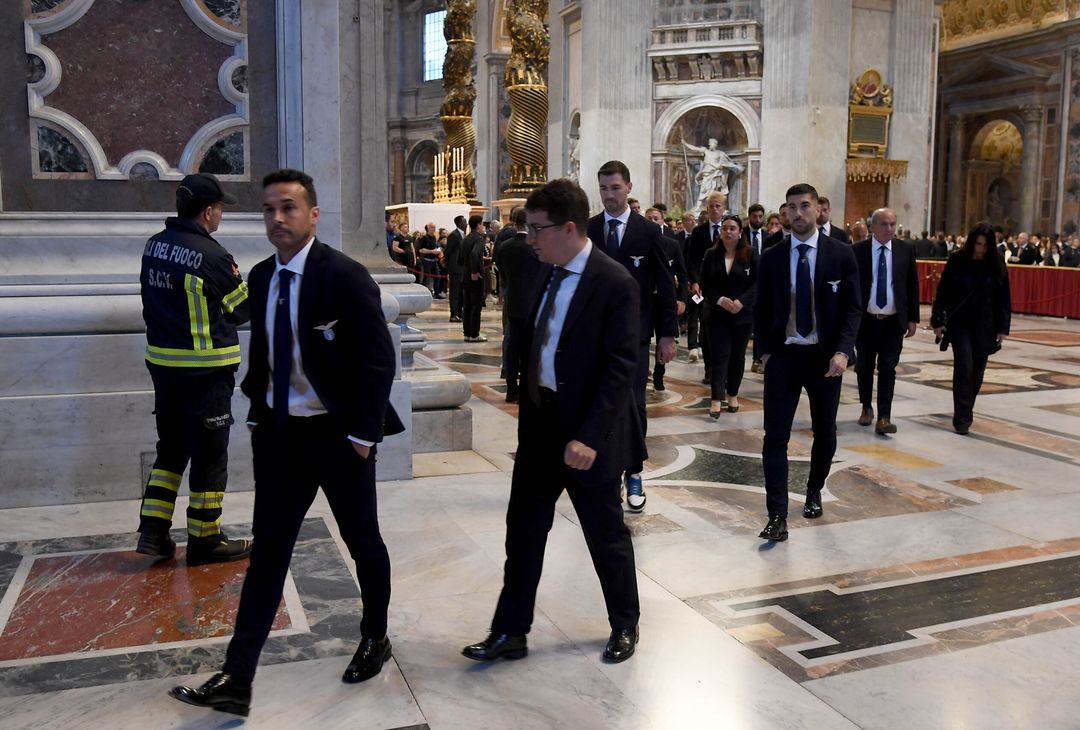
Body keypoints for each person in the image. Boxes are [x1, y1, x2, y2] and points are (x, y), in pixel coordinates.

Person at [169, 169, 405, 716]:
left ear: (313, 214)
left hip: (340, 437)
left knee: (362, 542)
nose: (278, 218)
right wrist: (257, 415)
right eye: (270, 209)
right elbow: (266, 357)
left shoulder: (344, 277)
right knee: (268, 554)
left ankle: (376, 636)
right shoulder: (259, 276)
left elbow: (377, 361)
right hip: (280, 438)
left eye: (290, 208)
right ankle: (237, 676)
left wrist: (363, 436)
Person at [462, 178, 643, 665]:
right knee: (522, 533)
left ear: (568, 228)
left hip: (588, 434)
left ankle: (625, 623)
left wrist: (589, 436)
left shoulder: (614, 282)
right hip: (542, 431)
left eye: (537, 230)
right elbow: (537, 352)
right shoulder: (545, 270)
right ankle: (510, 631)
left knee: (604, 536)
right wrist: (527, 423)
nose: (529, 239)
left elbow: (621, 369)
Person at [136, 173, 252, 565]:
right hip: (207, 373)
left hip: (165, 369)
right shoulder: (213, 255)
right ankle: (205, 539)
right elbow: (242, 310)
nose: (221, 215)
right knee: (209, 456)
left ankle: (153, 533)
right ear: (207, 211)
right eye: (220, 208)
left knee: (170, 451)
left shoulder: (154, 246)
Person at [754, 183, 861, 541]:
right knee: (775, 437)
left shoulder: (841, 254)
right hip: (784, 355)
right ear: (785, 212)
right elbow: (761, 308)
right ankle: (777, 515)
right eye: (791, 207)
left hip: (825, 358)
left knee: (825, 432)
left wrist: (844, 352)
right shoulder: (771, 256)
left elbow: (851, 309)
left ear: (817, 209)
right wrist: (765, 352)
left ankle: (814, 488)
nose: (797, 214)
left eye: (804, 206)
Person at [586, 160, 678, 513]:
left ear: (629, 187)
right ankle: (603, 473)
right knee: (598, 402)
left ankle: (634, 471)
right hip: (594, 337)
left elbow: (665, 288)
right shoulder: (589, 229)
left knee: (634, 405)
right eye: (604, 189)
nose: (610, 195)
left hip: (635, 337)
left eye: (615, 188)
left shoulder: (649, 232)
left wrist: (668, 334)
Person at [931, 223, 1011, 435]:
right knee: (964, 365)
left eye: (985, 245)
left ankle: (967, 406)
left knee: (977, 370)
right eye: (978, 244)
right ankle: (962, 417)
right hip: (960, 323)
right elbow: (943, 291)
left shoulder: (996, 263)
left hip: (986, 324)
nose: (980, 249)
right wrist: (937, 320)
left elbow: (1004, 299)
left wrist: (1003, 328)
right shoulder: (958, 259)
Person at [853, 208, 919, 435]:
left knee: (888, 368)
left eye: (893, 224)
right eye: (884, 224)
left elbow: (912, 285)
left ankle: (884, 416)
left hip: (893, 321)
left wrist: (912, 318)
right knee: (864, 366)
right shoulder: (858, 251)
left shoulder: (904, 250)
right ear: (873, 226)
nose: (889, 229)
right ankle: (866, 407)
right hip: (866, 320)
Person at [699, 213, 757, 417]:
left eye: (732, 228)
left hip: (742, 315)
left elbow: (757, 284)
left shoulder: (751, 254)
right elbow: (704, 282)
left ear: (740, 232)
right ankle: (716, 398)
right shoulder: (711, 254)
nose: (728, 232)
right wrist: (720, 299)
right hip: (717, 313)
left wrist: (742, 301)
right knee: (719, 356)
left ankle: (733, 394)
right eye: (725, 228)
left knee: (737, 357)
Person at [496, 207, 544, 402]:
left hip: (513, 301)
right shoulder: (535, 246)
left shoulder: (504, 246)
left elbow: (502, 272)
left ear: (514, 223)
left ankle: (510, 389)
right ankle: (526, 389)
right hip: (534, 303)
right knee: (531, 349)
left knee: (513, 347)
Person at [645, 207, 689, 391]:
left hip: (664, 299)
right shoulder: (640, 243)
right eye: (648, 218)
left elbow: (682, 273)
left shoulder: (672, 245)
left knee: (664, 337)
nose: (652, 221)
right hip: (646, 299)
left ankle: (659, 373)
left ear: (662, 221)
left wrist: (682, 299)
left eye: (656, 218)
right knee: (644, 337)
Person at [686, 191, 728, 379]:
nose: (714, 209)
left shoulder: (731, 230)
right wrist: (694, 281)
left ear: (724, 208)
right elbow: (692, 259)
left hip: (727, 289)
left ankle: (725, 372)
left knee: (725, 331)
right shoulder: (699, 231)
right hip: (704, 288)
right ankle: (709, 370)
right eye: (711, 206)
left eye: (718, 206)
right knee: (707, 329)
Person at [682, 137, 743, 211]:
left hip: (716, 175)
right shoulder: (705, 151)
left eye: (712, 143)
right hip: (707, 174)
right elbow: (695, 149)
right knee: (703, 190)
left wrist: (736, 166)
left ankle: (717, 207)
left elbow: (726, 163)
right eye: (710, 143)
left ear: (715, 144)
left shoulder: (720, 153)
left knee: (715, 193)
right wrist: (685, 144)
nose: (710, 145)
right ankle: (698, 206)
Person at [462, 215, 488, 342]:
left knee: (467, 305)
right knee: (476, 306)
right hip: (475, 276)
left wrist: (467, 270)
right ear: (478, 225)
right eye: (482, 224)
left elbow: (461, 258)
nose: (483, 227)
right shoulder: (479, 239)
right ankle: (474, 334)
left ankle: (467, 333)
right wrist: (474, 271)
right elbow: (474, 254)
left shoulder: (466, 238)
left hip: (465, 275)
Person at [444, 215, 467, 322]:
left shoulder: (463, 234)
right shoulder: (454, 235)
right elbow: (448, 251)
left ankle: (459, 313)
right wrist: (449, 264)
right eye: (464, 222)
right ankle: (453, 314)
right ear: (459, 223)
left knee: (461, 292)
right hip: (455, 267)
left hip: (462, 267)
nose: (466, 223)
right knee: (455, 292)